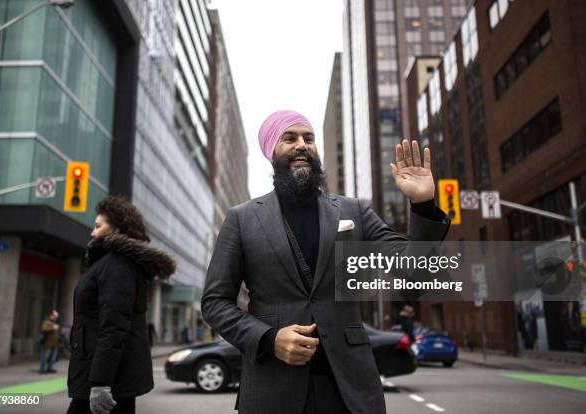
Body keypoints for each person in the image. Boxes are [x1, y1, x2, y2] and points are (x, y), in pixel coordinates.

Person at [201, 110, 450, 413]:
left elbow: (412, 278)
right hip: (273, 390)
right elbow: (215, 302)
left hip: (350, 392)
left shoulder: (354, 211)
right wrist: (268, 339)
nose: (302, 145)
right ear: (271, 152)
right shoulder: (241, 219)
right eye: (289, 138)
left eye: (309, 138)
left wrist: (422, 206)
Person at [67, 196, 175, 414]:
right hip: (104, 373)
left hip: (106, 379)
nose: (92, 232)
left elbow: (114, 326)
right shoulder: (107, 264)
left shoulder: (116, 264)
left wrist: (100, 383)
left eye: (98, 226)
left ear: (116, 229)